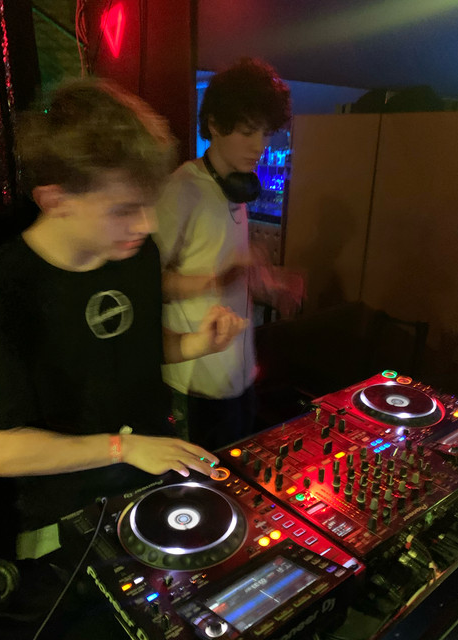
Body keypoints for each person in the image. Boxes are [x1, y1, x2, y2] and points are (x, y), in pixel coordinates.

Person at [0, 77, 246, 548]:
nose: (147, 223)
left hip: (151, 481)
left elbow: (137, 348)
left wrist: (198, 343)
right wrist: (121, 447)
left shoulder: (135, 254)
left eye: (149, 204)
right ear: (55, 201)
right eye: (124, 209)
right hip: (65, 513)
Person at [154, 57, 299, 451]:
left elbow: (221, 264)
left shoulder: (237, 186)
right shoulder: (182, 191)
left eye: (265, 133)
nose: (260, 146)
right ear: (215, 125)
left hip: (238, 374)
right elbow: (147, 283)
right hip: (197, 384)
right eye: (248, 132)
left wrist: (267, 284)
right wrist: (217, 280)